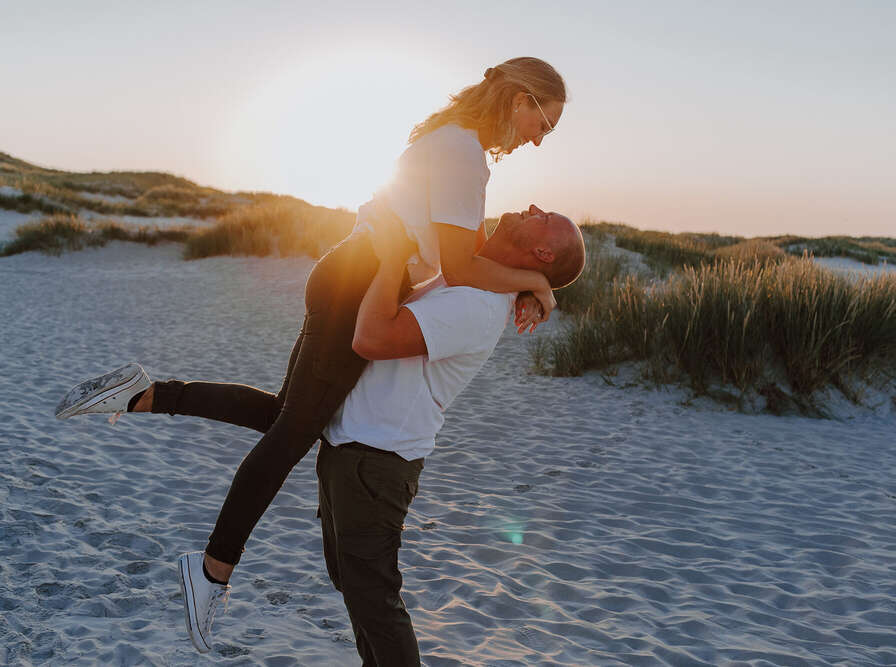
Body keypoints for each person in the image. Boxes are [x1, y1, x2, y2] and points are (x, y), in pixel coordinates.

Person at [56, 57, 567, 650]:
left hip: (348, 274)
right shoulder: (464, 155)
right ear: (518, 98)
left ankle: (143, 394)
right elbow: (459, 264)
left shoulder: (451, 140)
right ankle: (210, 572)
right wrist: (537, 284)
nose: (537, 139)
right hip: (358, 288)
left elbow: (463, 248)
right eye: (544, 124)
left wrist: (531, 285)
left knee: (284, 418)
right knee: (287, 439)